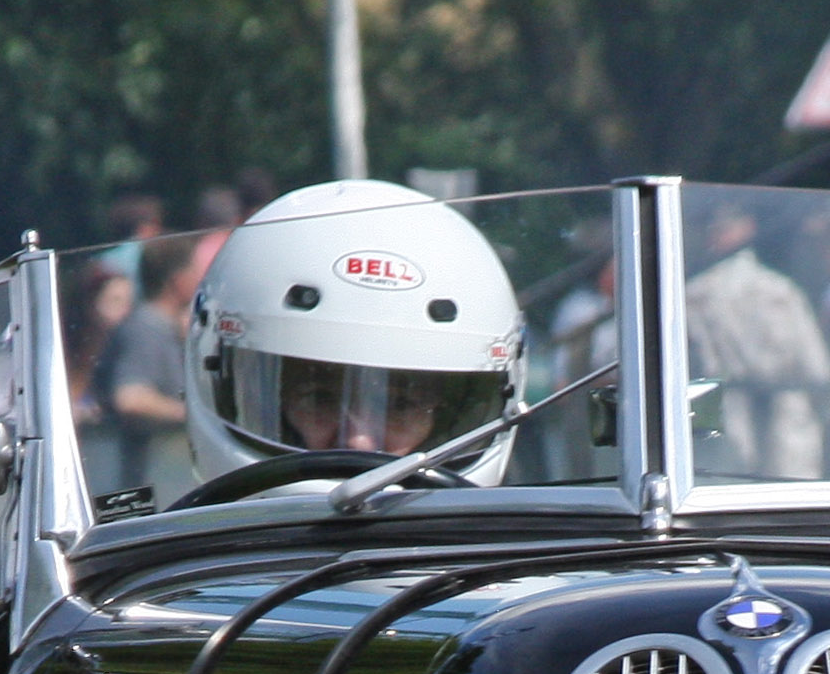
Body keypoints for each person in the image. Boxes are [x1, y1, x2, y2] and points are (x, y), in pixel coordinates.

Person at [183, 178, 524, 488]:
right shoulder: (157, 553)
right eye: (320, 398)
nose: (358, 441)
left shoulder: (514, 554)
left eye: (401, 406)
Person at [684, 204, 830, 479]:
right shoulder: (780, 289)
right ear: (748, 230)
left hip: (726, 417)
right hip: (787, 419)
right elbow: (817, 368)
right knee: (791, 507)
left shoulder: (693, 295)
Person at [97, 227, 223, 494]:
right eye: (194, 271)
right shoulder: (146, 327)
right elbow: (130, 398)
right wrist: (196, 417)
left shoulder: (166, 327)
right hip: (151, 483)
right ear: (177, 279)